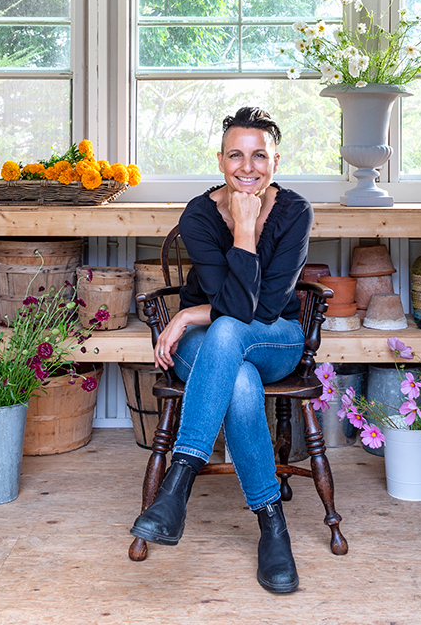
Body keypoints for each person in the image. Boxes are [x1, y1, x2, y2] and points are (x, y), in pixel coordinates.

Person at [129, 106, 313, 594]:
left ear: (276, 161)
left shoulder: (295, 212)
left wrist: (191, 312)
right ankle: (273, 528)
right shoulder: (199, 214)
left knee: (231, 331)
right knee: (237, 374)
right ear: (220, 160)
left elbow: (264, 306)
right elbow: (232, 303)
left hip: (277, 337)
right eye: (236, 155)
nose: (247, 167)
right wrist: (239, 231)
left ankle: (178, 483)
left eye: (259, 156)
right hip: (206, 348)